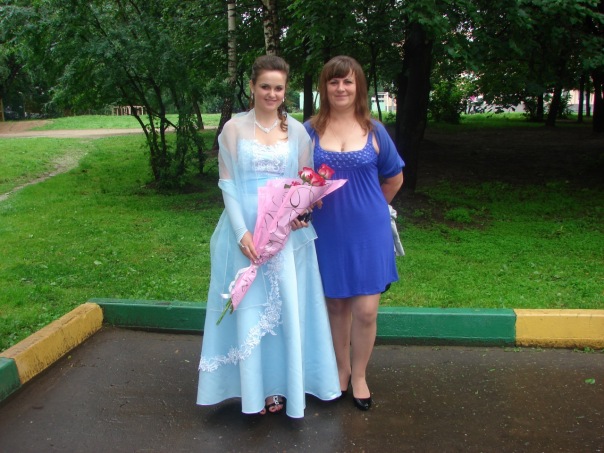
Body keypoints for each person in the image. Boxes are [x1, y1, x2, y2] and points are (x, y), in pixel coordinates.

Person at [197, 55, 341, 418]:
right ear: (252, 87)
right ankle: (251, 390)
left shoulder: (297, 132)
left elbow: (305, 182)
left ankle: (280, 386)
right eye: (265, 87)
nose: (272, 94)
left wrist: (300, 214)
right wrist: (241, 232)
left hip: (284, 235)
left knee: (282, 309)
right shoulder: (233, 129)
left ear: (285, 90)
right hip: (244, 230)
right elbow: (228, 184)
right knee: (250, 307)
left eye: (278, 88)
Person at [304, 56, 404, 411]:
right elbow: (297, 179)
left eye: (347, 81)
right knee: (335, 305)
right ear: (325, 87)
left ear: (358, 86)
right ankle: (341, 370)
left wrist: (371, 208)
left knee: (366, 310)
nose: (341, 88)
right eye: (334, 82)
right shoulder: (309, 131)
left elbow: (394, 179)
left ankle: (360, 375)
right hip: (327, 232)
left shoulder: (374, 131)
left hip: (369, 233)